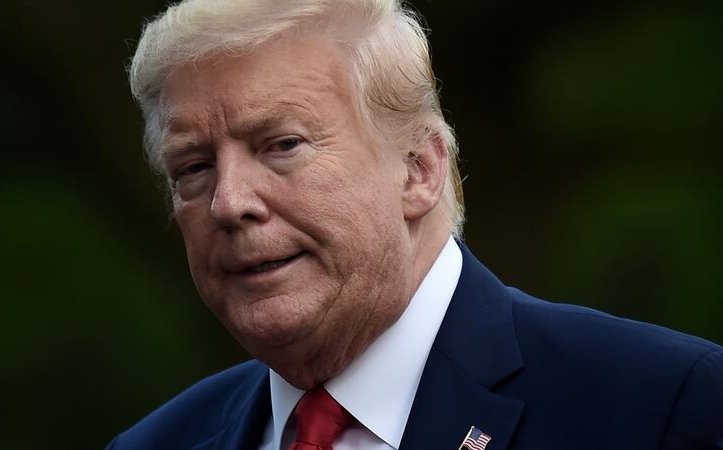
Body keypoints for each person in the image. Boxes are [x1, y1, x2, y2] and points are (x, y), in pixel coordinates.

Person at [108, 1, 723, 449]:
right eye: (193, 167)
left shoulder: (662, 407)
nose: (229, 201)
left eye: (282, 144)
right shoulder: (155, 444)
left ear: (419, 169)